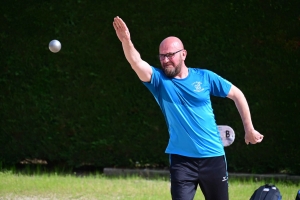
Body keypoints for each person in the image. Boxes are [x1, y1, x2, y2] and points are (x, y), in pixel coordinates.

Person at [112, 16, 264, 200]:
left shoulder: (205, 77)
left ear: (183, 54)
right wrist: (126, 41)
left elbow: (237, 94)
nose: (166, 60)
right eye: (162, 56)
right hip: (182, 161)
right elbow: (136, 62)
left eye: (170, 55)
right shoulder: (159, 82)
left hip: (213, 158)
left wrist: (249, 129)